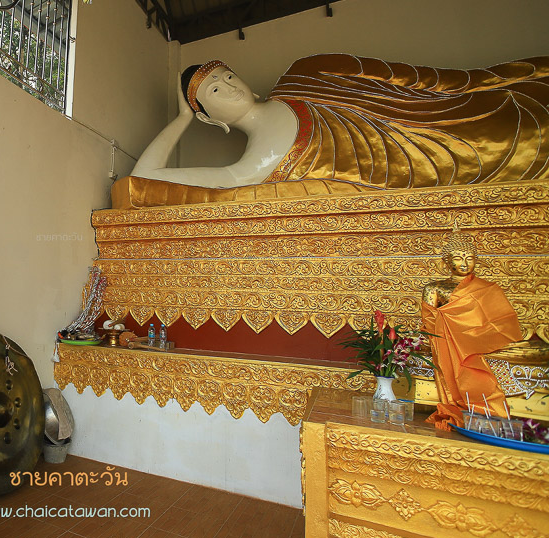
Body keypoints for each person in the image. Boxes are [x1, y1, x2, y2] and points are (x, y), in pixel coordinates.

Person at [122, 54, 549, 208]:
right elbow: (143, 178)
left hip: (450, 120)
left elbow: (418, 81)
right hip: (431, 176)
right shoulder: (247, 169)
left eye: (229, 76)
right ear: (209, 119)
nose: (230, 86)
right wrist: (181, 118)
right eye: (215, 90)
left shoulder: (306, 73)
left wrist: (481, 83)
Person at [420, 225, 524, 429]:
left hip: (480, 339)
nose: (465, 263)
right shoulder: (434, 288)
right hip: (447, 341)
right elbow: (429, 320)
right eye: (459, 258)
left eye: (469, 258)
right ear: (446, 261)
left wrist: (479, 337)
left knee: (517, 349)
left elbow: (500, 321)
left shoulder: (487, 288)